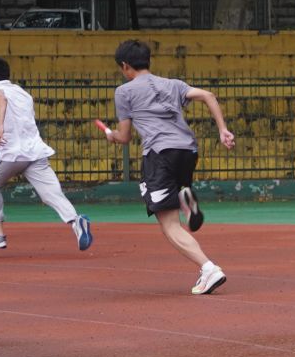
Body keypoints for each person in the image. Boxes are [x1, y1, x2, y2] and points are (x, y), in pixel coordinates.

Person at [100, 38, 235, 295]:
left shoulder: (124, 92)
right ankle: (184, 196)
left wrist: (112, 136)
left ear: (125, 66)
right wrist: (223, 130)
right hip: (187, 150)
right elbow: (208, 95)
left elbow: (125, 136)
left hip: (160, 154)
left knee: (169, 224)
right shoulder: (172, 84)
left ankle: (209, 269)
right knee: (176, 190)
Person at [0, 57, 92, 252]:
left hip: (12, 154)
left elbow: (1, 98)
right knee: (51, 194)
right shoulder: (23, 94)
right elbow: (19, 119)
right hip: (35, 152)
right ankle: (76, 222)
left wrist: (0, 127)